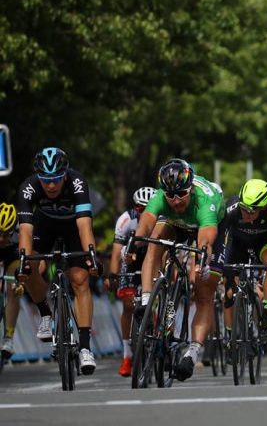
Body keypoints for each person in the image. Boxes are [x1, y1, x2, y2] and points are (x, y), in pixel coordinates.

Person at [131, 158, 224, 381]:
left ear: (190, 187)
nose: (176, 200)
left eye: (181, 194)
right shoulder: (162, 197)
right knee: (153, 241)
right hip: (177, 223)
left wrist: (202, 261)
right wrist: (135, 243)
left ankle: (191, 354)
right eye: (170, 195)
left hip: (208, 227)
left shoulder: (206, 199)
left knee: (204, 292)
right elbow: (146, 222)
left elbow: (206, 240)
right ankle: (146, 300)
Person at [16, 147, 102, 374]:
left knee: (79, 278)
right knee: (29, 267)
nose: (51, 186)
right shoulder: (28, 187)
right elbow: (25, 230)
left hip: (74, 226)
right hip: (44, 226)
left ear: (65, 174)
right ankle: (45, 312)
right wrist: (24, 260)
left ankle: (85, 348)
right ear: (38, 177)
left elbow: (85, 225)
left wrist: (91, 255)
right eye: (46, 180)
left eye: (55, 179)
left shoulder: (77, 183)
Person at [209, 179, 267, 333]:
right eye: (243, 208)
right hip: (237, 243)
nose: (245, 213)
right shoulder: (231, 209)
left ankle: (266, 314)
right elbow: (217, 239)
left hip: (264, 243)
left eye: (251, 211)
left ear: (264, 207)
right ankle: (230, 334)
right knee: (229, 291)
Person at [107, 186, 156, 377]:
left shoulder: (160, 219)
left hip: (152, 257)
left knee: (155, 298)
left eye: (147, 207)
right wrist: (112, 276)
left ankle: (159, 335)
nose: (143, 211)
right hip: (130, 258)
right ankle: (127, 355)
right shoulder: (125, 220)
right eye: (139, 207)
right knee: (128, 306)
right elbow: (116, 251)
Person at [0, 203, 24, 360]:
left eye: (6, 234)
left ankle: (8, 338)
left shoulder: (21, 230)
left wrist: (21, 284)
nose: (1, 238)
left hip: (12, 254)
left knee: (13, 287)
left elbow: (25, 260)